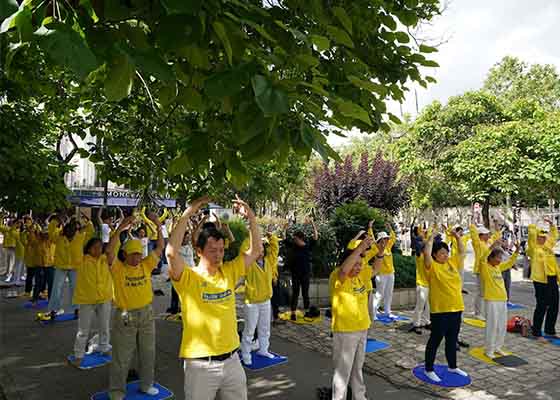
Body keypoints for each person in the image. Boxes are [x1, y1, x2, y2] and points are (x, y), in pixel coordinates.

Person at [166, 195, 261, 400]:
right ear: (199, 251)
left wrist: (251, 218)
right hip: (200, 365)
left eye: (221, 250)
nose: (219, 255)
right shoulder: (188, 277)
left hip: (232, 362)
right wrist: (188, 213)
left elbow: (256, 251)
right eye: (212, 251)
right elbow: (172, 253)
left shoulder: (229, 271)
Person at [107, 213, 164, 399]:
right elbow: (109, 251)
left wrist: (157, 223)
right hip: (125, 317)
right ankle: (117, 391)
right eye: (133, 254)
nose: (136, 258)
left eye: (139, 254)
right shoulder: (118, 268)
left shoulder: (146, 265)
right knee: (122, 357)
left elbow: (161, 247)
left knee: (148, 353)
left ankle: (146, 385)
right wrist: (121, 226)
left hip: (146, 314)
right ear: (125, 254)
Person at [330, 235, 384, 400]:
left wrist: (380, 252)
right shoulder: (338, 276)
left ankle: (359, 396)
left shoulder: (361, 276)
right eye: (356, 264)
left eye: (361, 264)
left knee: (357, 368)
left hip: (362, 328)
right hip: (346, 330)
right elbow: (345, 270)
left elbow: (375, 269)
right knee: (343, 371)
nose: (359, 267)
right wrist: (360, 249)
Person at [423, 227, 468, 383]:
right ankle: (429, 369)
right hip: (440, 310)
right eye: (441, 253)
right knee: (435, 340)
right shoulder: (432, 267)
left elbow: (462, 252)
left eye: (446, 252)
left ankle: (452, 366)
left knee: (452, 339)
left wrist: (457, 237)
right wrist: (430, 239)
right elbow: (426, 255)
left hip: (456, 307)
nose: (445, 255)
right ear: (435, 255)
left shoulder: (451, 263)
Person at [70, 237, 113, 367]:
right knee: (83, 330)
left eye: (100, 247)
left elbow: (113, 245)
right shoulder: (81, 260)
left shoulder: (105, 259)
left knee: (104, 326)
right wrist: (81, 231)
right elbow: (75, 247)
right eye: (94, 247)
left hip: (104, 298)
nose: (98, 249)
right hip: (86, 300)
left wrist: (121, 228)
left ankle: (104, 347)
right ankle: (79, 354)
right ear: (88, 248)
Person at [241, 232, 279, 365]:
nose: (261, 251)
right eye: (257, 249)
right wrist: (251, 234)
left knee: (265, 328)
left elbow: (275, 248)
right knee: (250, 330)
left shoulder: (269, 261)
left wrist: (270, 236)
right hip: (252, 302)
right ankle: (245, 354)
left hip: (265, 301)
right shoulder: (249, 263)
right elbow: (243, 250)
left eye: (262, 248)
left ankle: (263, 349)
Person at [43, 218, 94, 320]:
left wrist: (88, 222)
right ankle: (54, 309)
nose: (70, 235)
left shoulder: (80, 237)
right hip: (61, 267)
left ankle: (77, 309)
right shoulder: (59, 237)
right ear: (64, 232)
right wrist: (55, 221)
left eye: (72, 233)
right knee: (56, 288)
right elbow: (51, 231)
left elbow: (90, 232)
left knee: (75, 288)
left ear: (75, 231)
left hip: (75, 267)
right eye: (68, 233)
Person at [480, 244, 519, 358]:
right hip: (492, 300)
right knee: (492, 325)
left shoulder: (498, 267)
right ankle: (489, 349)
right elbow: (482, 258)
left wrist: (516, 251)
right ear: (490, 258)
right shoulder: (485, 267)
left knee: (501, 325)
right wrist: (491, 247)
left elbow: (510, 263)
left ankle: (498, 347)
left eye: (500, 258)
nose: (499, 260)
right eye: (497, 257)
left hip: (502, 300)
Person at [527, 219, 559, 341]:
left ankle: (550, 330)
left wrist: (552, 224)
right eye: (540, 236)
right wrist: (534, 223)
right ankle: (536, 332)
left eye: (544, 236)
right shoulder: (533, 249)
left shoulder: (548, 246)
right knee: (541, 305)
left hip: (552, 278)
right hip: (540, 280)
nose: (543, 238)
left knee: (554, 305)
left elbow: (554, 235)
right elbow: (531, 235)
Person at [469, 223, 501, 320]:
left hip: (489, 269)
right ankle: (477, 313)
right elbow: (474, 236)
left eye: (488, 234)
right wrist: (473, 224)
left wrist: (497, 230)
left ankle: (483, 311)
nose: (488, 235)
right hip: (481, 270)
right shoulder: (478, 244)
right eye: (486, 234)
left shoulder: (488, 242)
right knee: (481, 292)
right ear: (481, 235)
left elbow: (496, 238)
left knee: (486, 291)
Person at [289, 218, 318, 321]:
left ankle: (306, 312)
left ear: (300, 238)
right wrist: (286, 228)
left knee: (305, 293)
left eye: (296, 238)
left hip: (305, 274)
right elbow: (285, 239)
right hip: (295, 274)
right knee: (295, 293)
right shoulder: (294, 246)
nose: (294, 240)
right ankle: (293, 313)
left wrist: (312, 224)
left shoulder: (308, 246)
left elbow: (315, 237)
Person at [372, 223, 397, 319]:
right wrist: (370, 228)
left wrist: (390, 228)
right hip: (381, 274)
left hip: (391, 273)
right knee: (379, 294)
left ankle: (387, 312)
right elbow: (372, 239)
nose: (386, 240)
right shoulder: (376, 248)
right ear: (379, 240)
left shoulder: (388, 246)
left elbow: (393, 238)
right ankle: (373, 313)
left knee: (389, 293)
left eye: (386, 238)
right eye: (384, 239)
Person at [410, 225, 430, 334]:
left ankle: (427, 322)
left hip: (429, 284)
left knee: (428, 305)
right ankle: (416, 324)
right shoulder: (419, 256)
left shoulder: (428, 255)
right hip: (421, 284)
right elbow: (418, 241)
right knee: (420, 305)